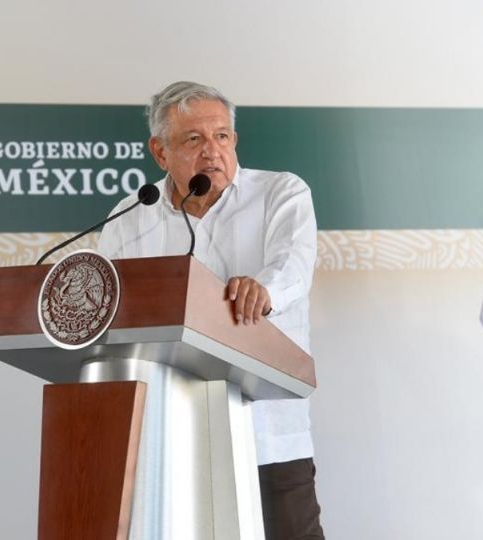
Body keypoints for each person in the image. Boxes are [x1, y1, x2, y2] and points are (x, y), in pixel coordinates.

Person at [98, 81, 323, 540]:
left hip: (267, 436)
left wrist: (263, 289)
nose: (212, 151)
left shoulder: (281, 192)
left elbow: (294, 266)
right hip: (169, 442)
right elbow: (113, 312)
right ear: (160, 153)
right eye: (194, 139)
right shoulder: (129, 216)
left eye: (222, 136)